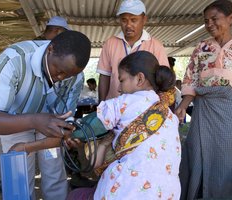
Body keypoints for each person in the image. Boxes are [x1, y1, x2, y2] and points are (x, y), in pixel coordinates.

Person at [11, 51, 181, 199]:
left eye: (121, 80)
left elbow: (74, 132)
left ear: (139, 79)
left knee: (75, 196)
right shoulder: (169, 116)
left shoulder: (123, 104)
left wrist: (26, 146)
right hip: (168, 194)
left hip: (125, 193)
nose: (119, 88)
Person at [0, 31, 91, 200]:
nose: (61, 78)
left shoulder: (75, 77)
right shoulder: (14, 60)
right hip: (13, 122)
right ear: (50, 49)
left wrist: (67, 132)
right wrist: (34, 120)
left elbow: (65, 116)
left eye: (68, 75)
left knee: (55, 173)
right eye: (59, 71)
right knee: (19, 177)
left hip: (50, 126)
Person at [175, 0, 232, 199]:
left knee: (227, 159)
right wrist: (183, 105)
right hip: (202, 111)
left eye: (214, 19)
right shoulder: (201, 48)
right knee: (196, 156)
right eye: (206, 21)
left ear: (231, 18)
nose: (209, 24)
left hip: (229, 112)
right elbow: (191, 79)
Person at [97, 0, 169, 101]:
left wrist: (161, 105)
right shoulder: (110, 43)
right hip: (115, 107)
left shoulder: (156, 46)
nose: (128, 25)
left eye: (133, 20)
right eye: (124, 20)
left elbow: (163, 79)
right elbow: (104, 76)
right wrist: (101, 104)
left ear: (144, 20)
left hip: (145, 110)